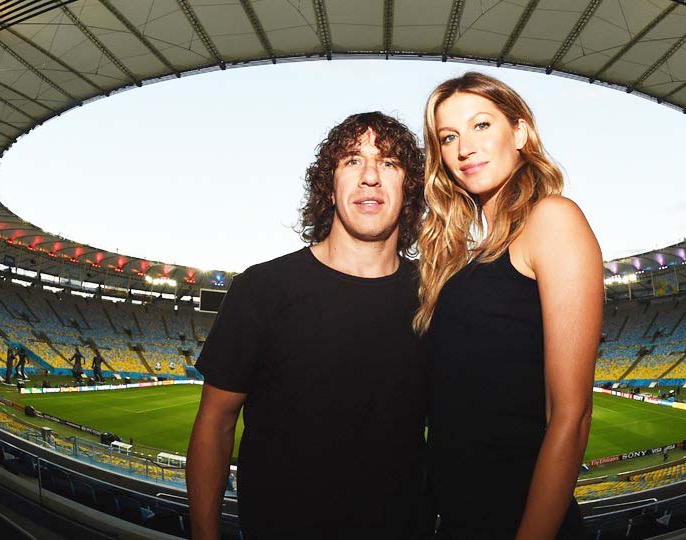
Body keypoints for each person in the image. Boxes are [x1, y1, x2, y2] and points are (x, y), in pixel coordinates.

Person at [187, 112, 428, 540]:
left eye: (389, 162)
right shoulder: (262, 288)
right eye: (352, 160)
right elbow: (215, 423)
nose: (370, 176)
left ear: (409, 188)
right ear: (329, 187)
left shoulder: (436, 298)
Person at [415, 72, 603, 539]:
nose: (465, 148)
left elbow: (571, 415)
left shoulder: (553, 219)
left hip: (519, 521)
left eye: (481, 125)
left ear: (519, 132)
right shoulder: (467, 258)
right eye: (448, 137)